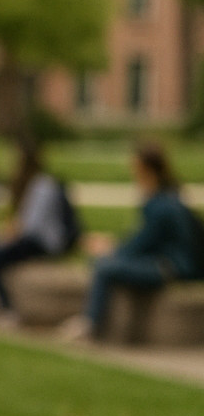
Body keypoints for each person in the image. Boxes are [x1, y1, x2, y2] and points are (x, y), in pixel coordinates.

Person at [59, 141, 204, 340]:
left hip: (171, 267)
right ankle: (90, 321)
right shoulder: (168, 197)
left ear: (146, 170)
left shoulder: (161, 205)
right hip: (170, 262)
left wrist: (110, 250)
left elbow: (142, 243)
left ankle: (90, 323)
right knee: (106, 263)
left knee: (104, 266)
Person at [0, 140, 67, 318]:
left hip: (41, 243)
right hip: (29, 238)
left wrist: (10, 234)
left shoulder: (43, 185)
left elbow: (31, 226)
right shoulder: (30, 184)